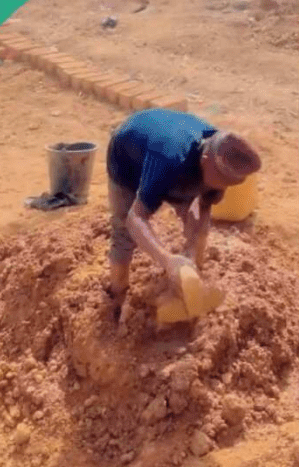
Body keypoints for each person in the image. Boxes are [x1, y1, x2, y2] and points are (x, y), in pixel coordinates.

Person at [105, 108, 262, 319]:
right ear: (205, 158)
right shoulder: (170, 157)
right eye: (217, 180)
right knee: (124, 230)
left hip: (173, 158)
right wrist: (167, 260)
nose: (221, 187)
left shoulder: (224, 154)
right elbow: (136, 219)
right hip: (127, 158)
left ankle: (192, 272)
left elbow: (205, 206)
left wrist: (192, 247)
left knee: (190, 207)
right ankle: (117, 294)